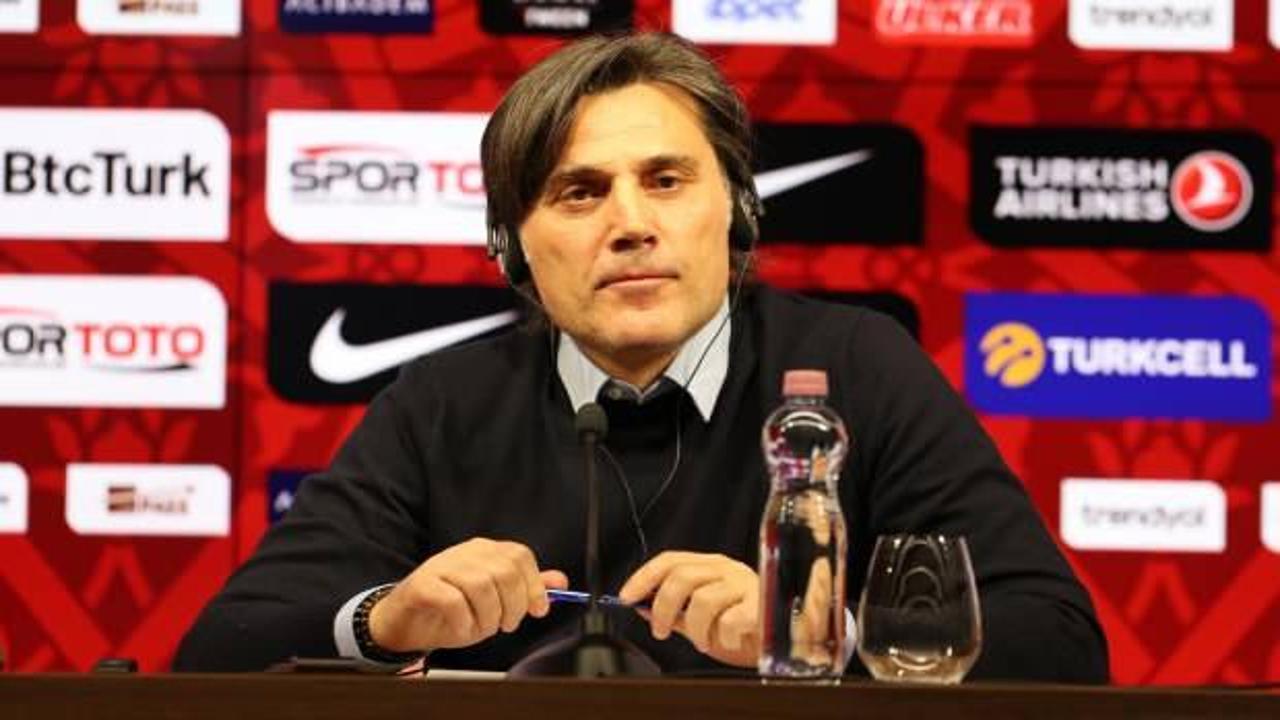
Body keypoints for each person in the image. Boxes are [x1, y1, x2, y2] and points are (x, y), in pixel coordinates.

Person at [174, 32, 1108, 681]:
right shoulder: (445, 401)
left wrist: (817, 630)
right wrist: (387, 622)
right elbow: (221, 650)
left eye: (666, 180)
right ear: (513, 247)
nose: (630, 224)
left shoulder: (858, 368)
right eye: (579, 193)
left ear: (737, 212)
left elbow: (1058, 644)